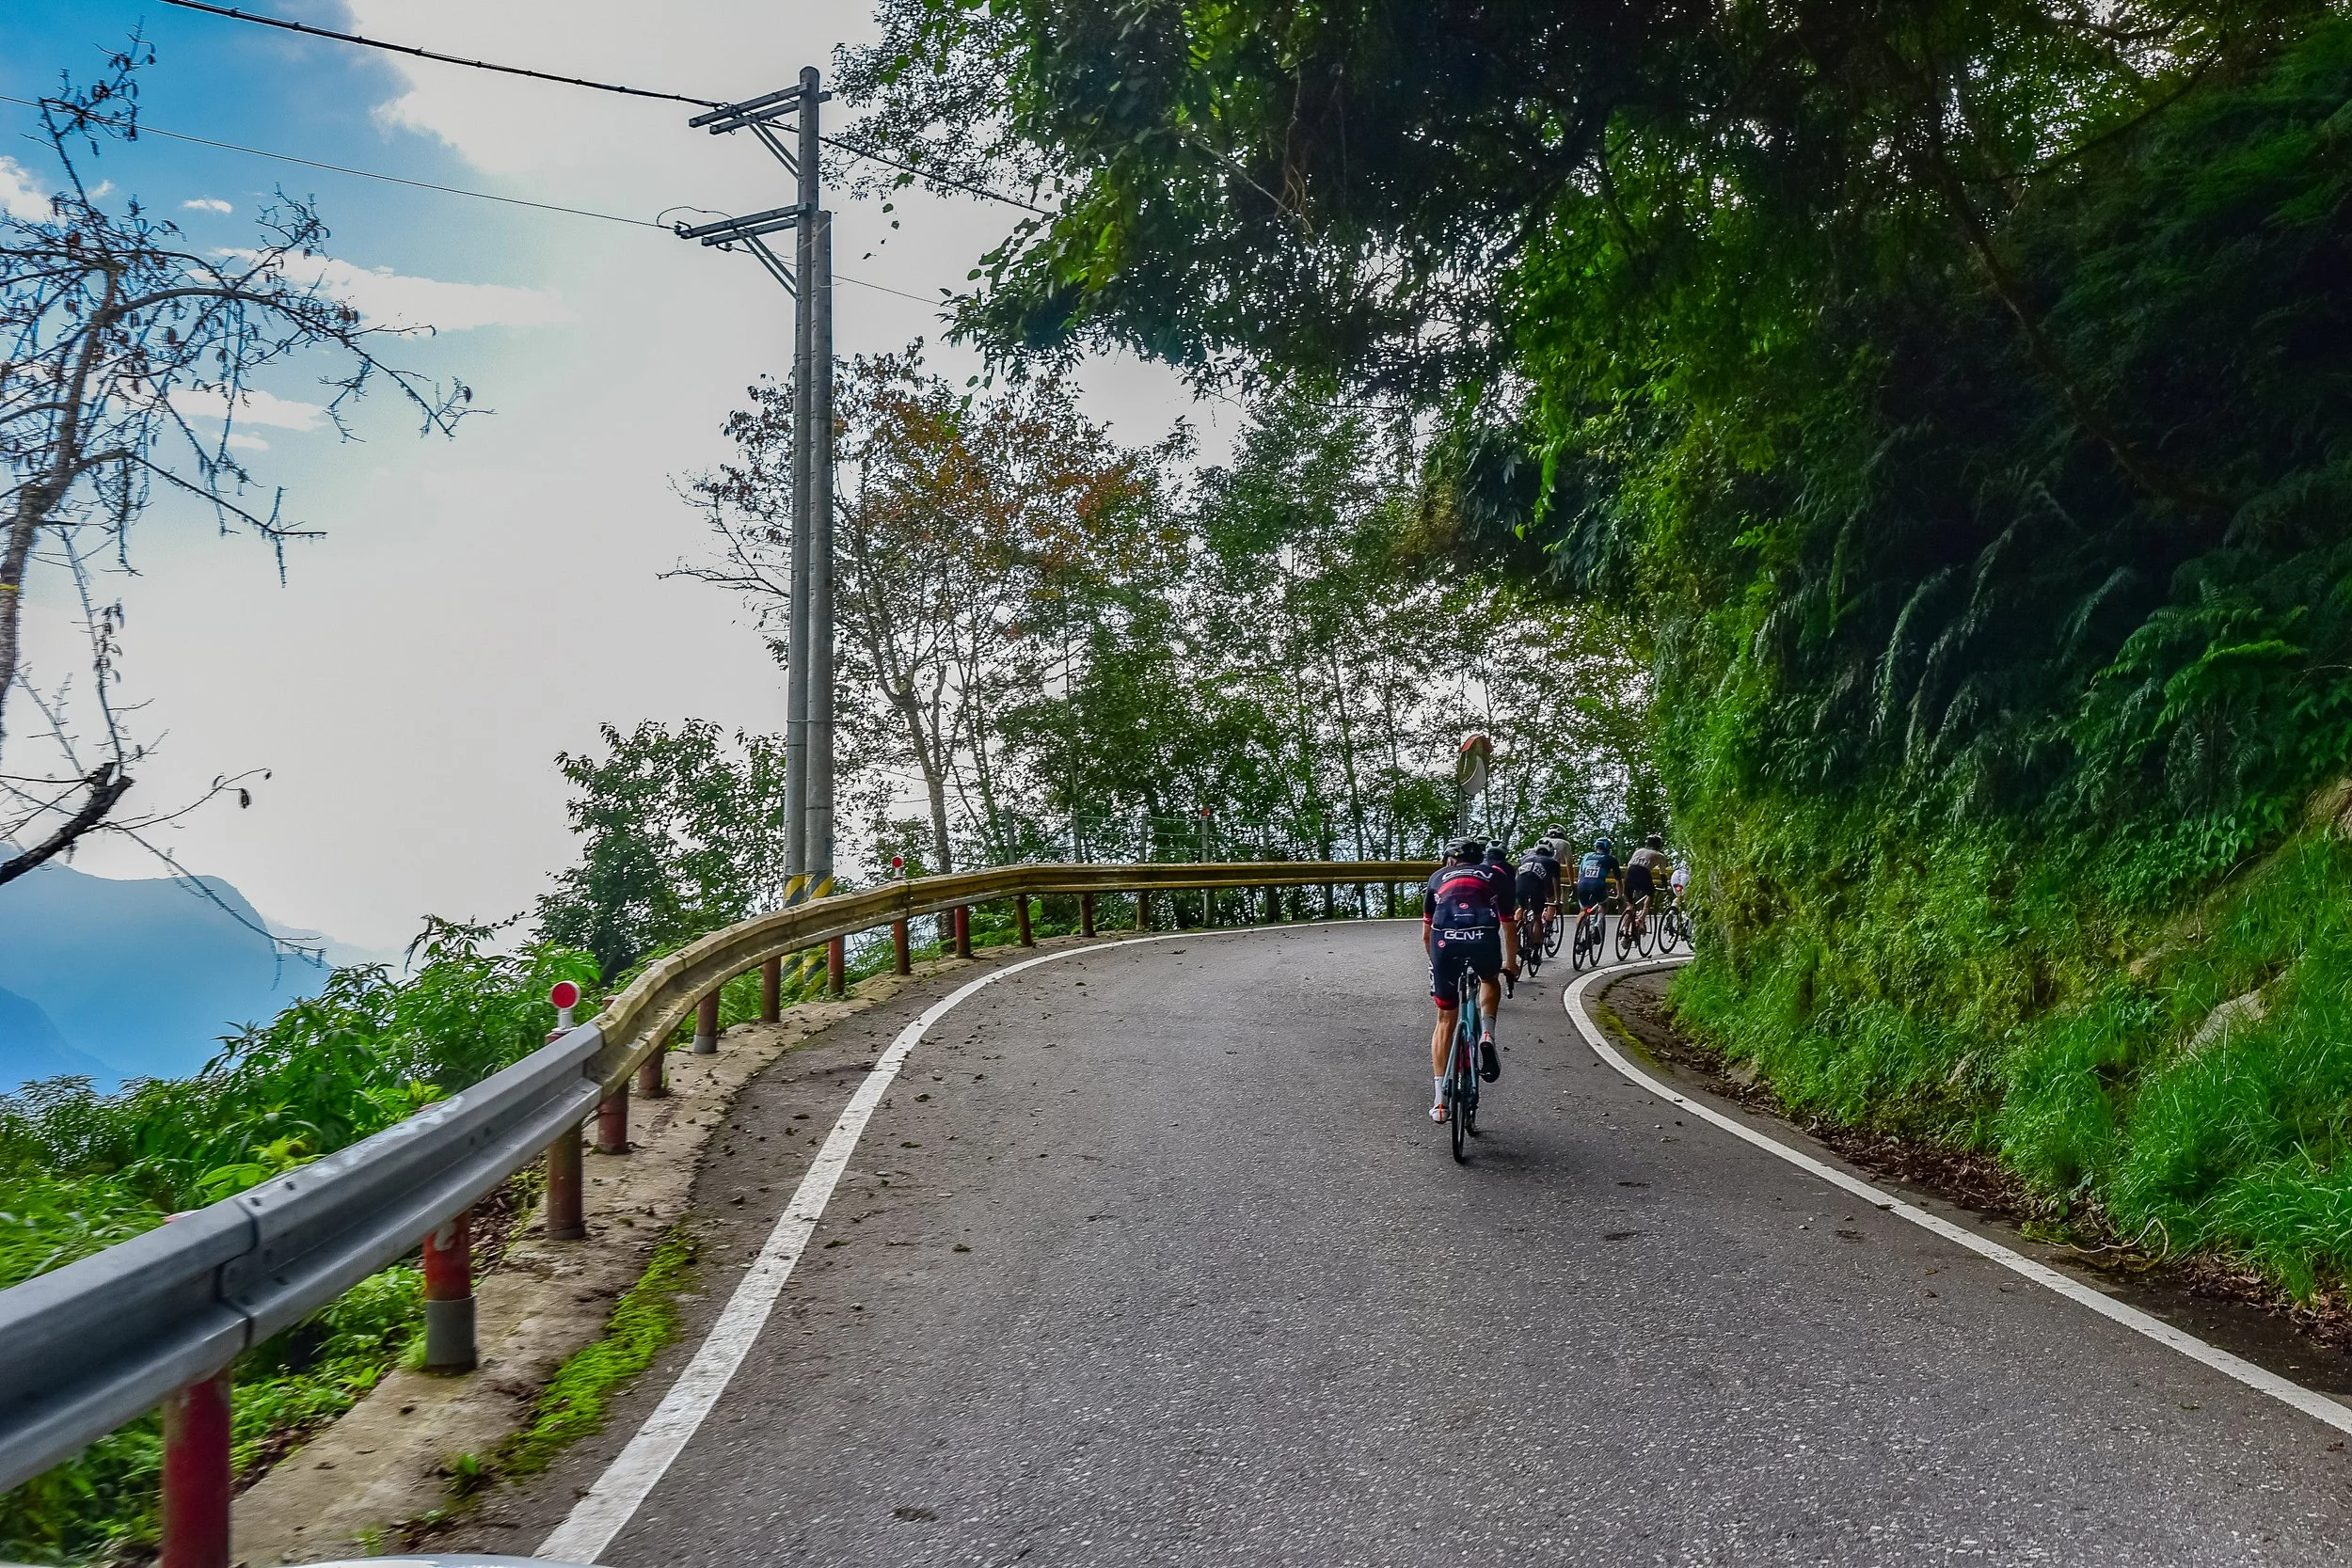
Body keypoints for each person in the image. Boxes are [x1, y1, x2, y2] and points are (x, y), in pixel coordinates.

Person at [1422, 837, 1516, 1122]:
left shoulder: (1437, 877)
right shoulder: (1494, 874)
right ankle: (1487, 1033)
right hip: (1482, 940)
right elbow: (1508, 924)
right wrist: (1511, 964)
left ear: (1449, 861)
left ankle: (1440, 1101)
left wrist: (1436, 966)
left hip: (1444, 945)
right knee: (1489, 980)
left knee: (1445, 1018)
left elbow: (1426, 935)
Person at [1624, 833, 1672, 925]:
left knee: (1630, 905)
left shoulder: (1639, 851)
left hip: (1629, 873)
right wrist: (1665, 887)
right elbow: (1662, 874)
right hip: (1643, 873)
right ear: (1659, 845)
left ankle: (1625, 931)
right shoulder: (1660, 855)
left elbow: (1630, 864)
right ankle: (1642, 917)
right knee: (1651, 894)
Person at [1574, 835, 1619, 914]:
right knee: (1603, 903)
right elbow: (1618, 880)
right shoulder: (1611, 859)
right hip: (1598, 885)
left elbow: (1580, 873)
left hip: (1582, 884)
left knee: (1584, 909)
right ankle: (1599, 922)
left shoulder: (1587, 856)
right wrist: (1619, 895)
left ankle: (1581, 922)